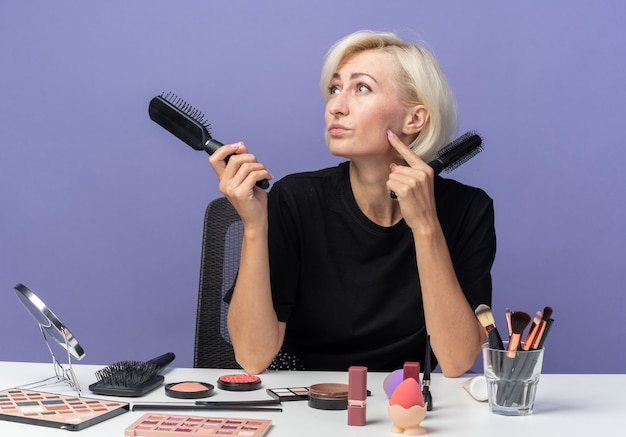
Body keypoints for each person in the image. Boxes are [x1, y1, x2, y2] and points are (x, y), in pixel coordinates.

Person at [209, 30, 496, 377]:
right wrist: (255, 227)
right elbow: (252, 358)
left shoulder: (469, 211)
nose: (336, 106)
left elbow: (456, 362)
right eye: (334, 89)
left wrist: (425, 226)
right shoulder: (297, 199)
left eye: (361, 88)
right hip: (305, 400)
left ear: (414, 119)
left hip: (403, 402)